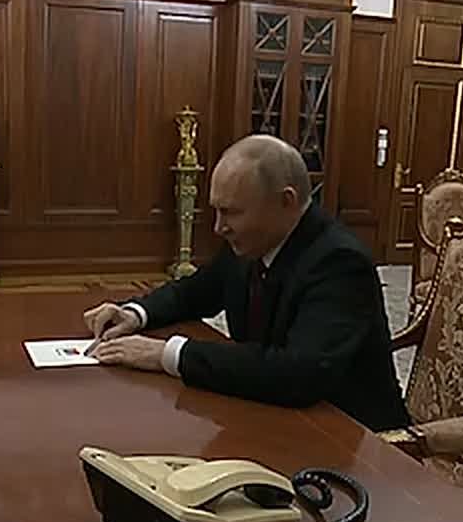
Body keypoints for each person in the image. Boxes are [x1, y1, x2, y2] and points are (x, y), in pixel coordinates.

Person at [83, 134, 410, 432]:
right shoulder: (254, 240)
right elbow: (193, 293)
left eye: (231, 212)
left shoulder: (339, 262)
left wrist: (167, 355)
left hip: (352, 440)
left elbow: (298, 374)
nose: (219, 227)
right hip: (270, 417)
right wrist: (136, 314)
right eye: (216, 211)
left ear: (286, 201)